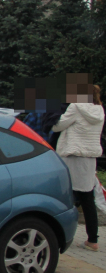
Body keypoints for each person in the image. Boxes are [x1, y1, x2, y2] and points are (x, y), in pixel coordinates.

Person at [53, 85, 105, 251]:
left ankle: (58, 234)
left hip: (72, 155)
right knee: (87, 198)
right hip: (89, 158)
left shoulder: (75, 106)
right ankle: (93, 240)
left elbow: (58, 125)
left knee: (63, 194)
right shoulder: (100, 110)